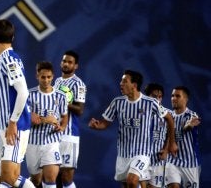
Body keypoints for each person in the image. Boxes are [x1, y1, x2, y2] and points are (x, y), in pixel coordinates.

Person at [88, 70, 178, 188]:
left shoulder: (150, 102)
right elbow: (105, 123)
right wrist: (96, 126)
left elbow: (170, 118)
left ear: (134, 85)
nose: (121, 83)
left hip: (142, 153)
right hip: (123, 154)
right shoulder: (117, 102)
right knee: (127, 185)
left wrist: (172, 143)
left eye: (125, 81)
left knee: (132, 180)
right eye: (121, 80)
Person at [0, 19, 35, 188]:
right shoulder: (3, 60)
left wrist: (12, 122)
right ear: (13, 37)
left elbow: (23, 91)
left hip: (15, 126)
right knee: (12, 178)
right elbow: (4, 96)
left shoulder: (9, 60)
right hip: (6, 125)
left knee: (8, 178)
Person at [26, 61, 69, 188]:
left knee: (50, 179)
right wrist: (45, 119)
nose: (46, 80)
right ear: (37, 76)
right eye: (43, 77)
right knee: (36, 181)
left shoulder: (60, 95)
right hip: (32, 143)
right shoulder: (29, 95)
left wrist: (62, 127)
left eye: (49, 77)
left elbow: (65, 116)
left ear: (53, 76)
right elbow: (26, 119)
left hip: (51, 142)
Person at [54, 50, 87, 188]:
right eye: (64, 61)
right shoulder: (57, 81)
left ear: (76, 66)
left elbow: (80, 110)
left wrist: (62, 102)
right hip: (54, 134)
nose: (66, 64)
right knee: (53, 174)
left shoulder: (78, 84)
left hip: (69, 135)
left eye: (70, 62)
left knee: (66, 176)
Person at [165, 86, 201, 188]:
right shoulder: (168, 116)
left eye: (177, 96)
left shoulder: (192, 115)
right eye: (172, 96)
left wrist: (188, 126)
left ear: (185, 99)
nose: (173, 98)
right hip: (172, 161)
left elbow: (188, 126)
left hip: (190, 163)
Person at [144, 83, 169, 188]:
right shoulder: (138, 112)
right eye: (154, 96)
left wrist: (166, 150)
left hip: (157, 159)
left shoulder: (168, 114)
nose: (157, 100)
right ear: (147, 96)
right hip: (140, 157)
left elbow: (171, 134)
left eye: (160, 97)